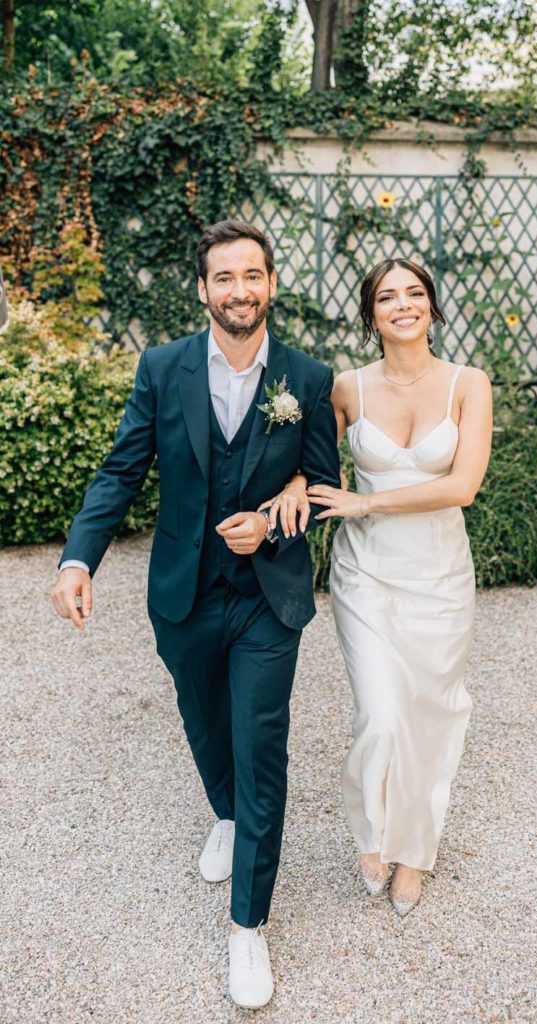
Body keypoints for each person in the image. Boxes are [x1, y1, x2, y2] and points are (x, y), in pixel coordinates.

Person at [51, 220, 340, 1009]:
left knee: (260, 743)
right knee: (203, 718)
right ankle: (222, 813)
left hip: (267, 598)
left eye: (252, 275)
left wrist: (282, 514)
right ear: (204, 289)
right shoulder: (162, 367)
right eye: (224, 278)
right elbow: (121, 469)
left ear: (271, 283)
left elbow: (323, 483)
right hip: (182, 588)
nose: (239, 290)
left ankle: (248, 928)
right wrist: (79, 559)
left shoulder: (308, 379)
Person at [264, 257, 492, 916]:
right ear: (370, 314)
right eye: (387, 296)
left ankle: (414, 852)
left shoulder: (466, 384)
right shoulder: (346, 388)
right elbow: (309, 461)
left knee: (431, 713)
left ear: (430, 306)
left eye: (414, 293)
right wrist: (292, 485)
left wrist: (365, 504)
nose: (402, 305)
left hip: (439, 574)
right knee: (380, 714)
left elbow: (463, 485)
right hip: (364, 574)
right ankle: (371, 833)